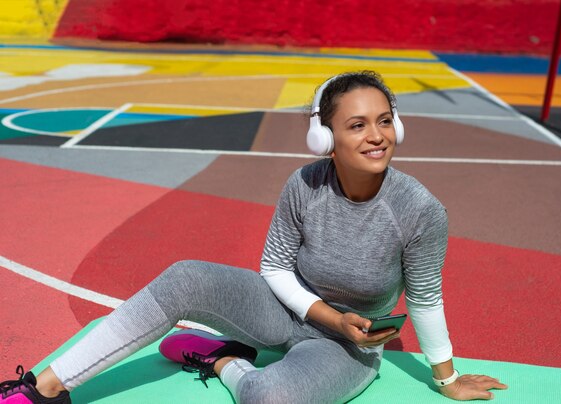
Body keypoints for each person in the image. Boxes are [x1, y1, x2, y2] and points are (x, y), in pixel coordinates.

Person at [0, 71, 507, 403]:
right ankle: (44, 389)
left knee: (269, 398)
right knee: (185, 277)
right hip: (284, 309)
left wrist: (446, 379)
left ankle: (222, 358)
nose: (376, 135)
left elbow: (424, 298)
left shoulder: (419, 210)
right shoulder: (304, 184)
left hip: (348, 345)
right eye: (356, 125)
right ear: (325, 138)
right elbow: (276, 269)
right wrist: (324, 311)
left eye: (383, 121)